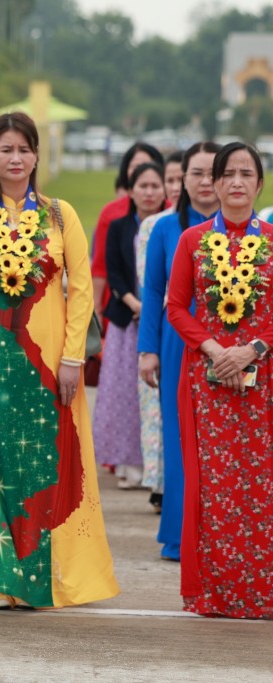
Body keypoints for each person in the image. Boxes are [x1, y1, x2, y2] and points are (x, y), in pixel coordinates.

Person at [0, 112, 119, 609]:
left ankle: (49, 577)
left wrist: (73, 358)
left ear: (37, 156)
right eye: (6, 149)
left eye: (24, 149)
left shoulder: (60, 215)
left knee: (48, 466)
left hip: (49, 367)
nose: (15, 158)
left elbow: (82, 289)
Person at [166, 142, 273, 619]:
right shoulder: (192, 240)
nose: (234, 182)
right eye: (226, 173)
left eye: (245, 174)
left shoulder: (271, 240)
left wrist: (253, 350)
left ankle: (263, 591)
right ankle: (214, 591)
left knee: (261, 481)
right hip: (207, 382)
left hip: (265, 379)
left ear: (258, 183)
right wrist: (214, 351)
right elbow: (174, 306)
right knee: (211, 483)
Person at [139, 141, 221, 562]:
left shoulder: (250, 231)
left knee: (225, 440)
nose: (206, 182)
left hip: (230, 346)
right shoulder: (165, 230)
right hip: (177, 344)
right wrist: (147, 349)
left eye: (214, 173)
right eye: (197, 174)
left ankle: (225, 530)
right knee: (179, 437)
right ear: (182, 179)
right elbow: (153, 291)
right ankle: (180, 534)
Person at [94, 163, 167, 489]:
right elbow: (114, 272)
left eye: (155, 186)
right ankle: (128, 465)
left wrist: (155, 307)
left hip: (164, 317)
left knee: (153, 395)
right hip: (126, 318)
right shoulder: (120, 226)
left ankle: (154, 464)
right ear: (130, 190)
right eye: (143, 186)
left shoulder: (168, 225)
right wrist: (136, 305)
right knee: (123, 394)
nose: (149, 192)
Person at [135, 151, 184, 508]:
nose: (178, 185)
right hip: (167, 323)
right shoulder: (156, 225)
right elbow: (148, 283)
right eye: (172, 180)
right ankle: (161, 483)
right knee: (158, 411)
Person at [91, 143, 165, 318]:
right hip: (120, 305)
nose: (143, 170)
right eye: (136, 167)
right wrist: (96, 306)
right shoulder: (111, 213)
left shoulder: (172, 213)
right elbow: (101, 265)